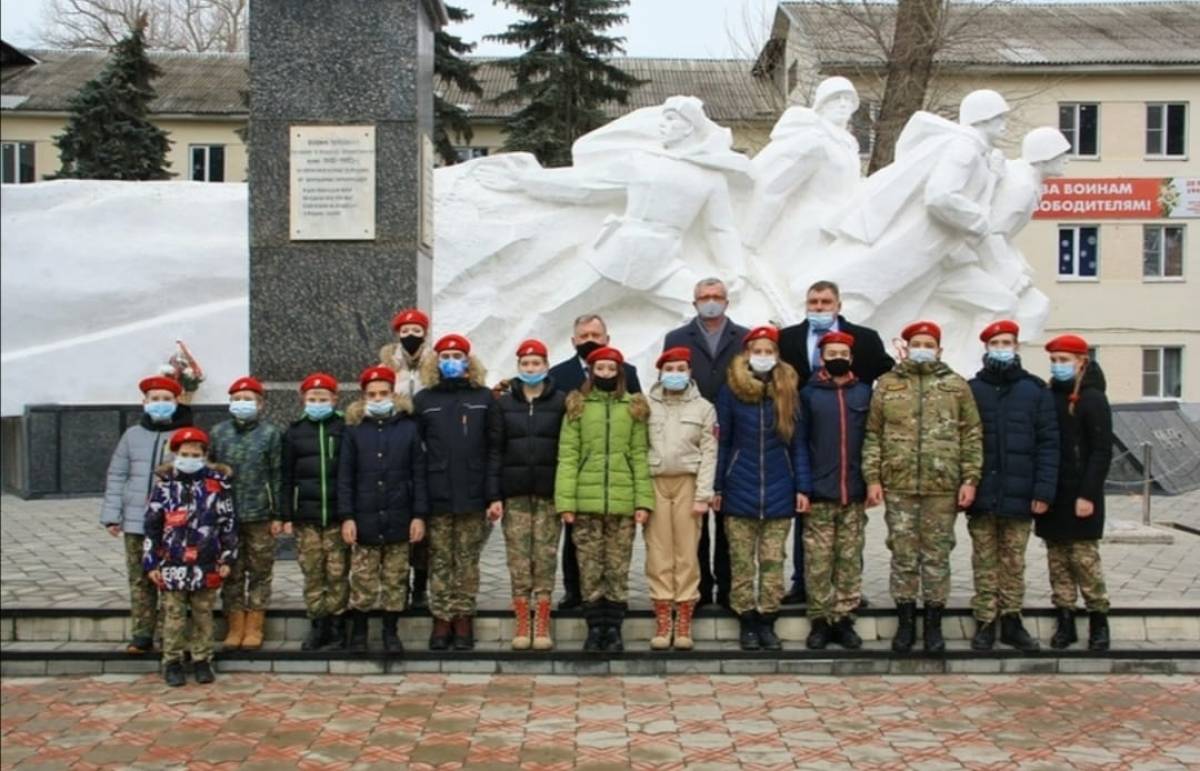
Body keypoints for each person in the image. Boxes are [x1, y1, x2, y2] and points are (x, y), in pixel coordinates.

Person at [863, 321, 983, 653]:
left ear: (939, 349)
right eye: (917, 342)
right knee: (902, 554)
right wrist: (873, 478)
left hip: (942, 486)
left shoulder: (956, 387)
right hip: (899, 485)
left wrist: (970, 480)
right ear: (906, 346)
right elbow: (873, 434)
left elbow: (971, 435)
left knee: (936, 556)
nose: (922, 348)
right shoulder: (887, 385)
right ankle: (904, 623)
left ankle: (933, 624)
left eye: (928, 343)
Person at [778, 280, 894, 606]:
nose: (819, 308)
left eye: (825, 302)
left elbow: (887, 373)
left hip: (850, 434)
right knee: (809, 515)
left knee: (850, 526)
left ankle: (848, 590)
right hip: (805, 434)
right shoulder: (787, 339)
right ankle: (803, 584)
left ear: (838, 305)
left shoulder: (865, 339)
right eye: (813, 302)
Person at [966, 320, 1059, 652]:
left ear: (1017, 347)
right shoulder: (972, 389)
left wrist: (1043, 490)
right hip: (983, 493)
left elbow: (1049, 443)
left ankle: (1011, 620)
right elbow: (965, 442)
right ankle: (985, 621)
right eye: (996, 343)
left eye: (1007, 342)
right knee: (984, 559)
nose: (1002, 348)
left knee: (1014, 561)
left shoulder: (1034, 391)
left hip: (1021, 494)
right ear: (986, 348)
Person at [714, 326, 807, 651]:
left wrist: (802, 487)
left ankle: (768, 620)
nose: (763, 357)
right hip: (739, 488)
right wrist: (717, 486)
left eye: (769, 351)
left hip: (780, 491)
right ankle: (747, 621)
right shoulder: (732, 391)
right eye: (758, 351)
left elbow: (798, 446)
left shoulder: (788, 390)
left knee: (772, 562)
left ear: (777, 355)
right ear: (746, 355)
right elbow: (723, 442)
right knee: (741, 563)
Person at [555, 346, 654, 652]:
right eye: (601, 369)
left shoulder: (633, 407)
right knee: (590, 568)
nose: (607, 375)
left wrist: (642, 501)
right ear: (592, 372)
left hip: (622, 504)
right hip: (586, 504)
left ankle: (613, 629)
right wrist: (566, 502)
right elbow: (568, 456)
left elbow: (639, 455)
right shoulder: (579, 406)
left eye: (612, 370)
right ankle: (594, 628)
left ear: (620, 372)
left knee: (617, 569)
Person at [661, 278, 748, 610]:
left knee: (726, 516)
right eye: (704, 297)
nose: (710, 302)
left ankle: (727, 591)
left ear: (727, 301)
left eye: (717, 297)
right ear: (694, 301)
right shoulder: (678, 338)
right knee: (693, 522)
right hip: (688, 436)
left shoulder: (742, 338)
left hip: (732, 435)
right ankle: (696, 590)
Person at [548, 313, 641, 610]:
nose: (590, 341)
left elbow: (637, 419)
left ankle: (612, 599)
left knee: (614, 547)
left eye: (595, 336)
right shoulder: (559, 374)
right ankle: (574, 591)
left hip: (616, 473)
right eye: (584, 336)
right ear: (573, 340)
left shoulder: (628, 372)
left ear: (607, 339)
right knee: (576, 536)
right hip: (578, 467)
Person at [414, 333, 498, 651]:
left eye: (457, 355)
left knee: (466, 561)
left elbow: (493, 449)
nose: (451, 361)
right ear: (437, 362)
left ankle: (463, 617)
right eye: (445, 356)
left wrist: (492, 494)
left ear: (468, 361)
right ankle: (441, 618)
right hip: (437, 494)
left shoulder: (484, 398)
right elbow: (416, 452)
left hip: (473, 494)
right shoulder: (425, 400)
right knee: (439, 561)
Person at [101, 374, 193, 654]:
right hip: (136, 520)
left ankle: (171, 632)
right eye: (155, 400)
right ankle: (142, 632)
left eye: (167, 399)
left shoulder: (185, 436)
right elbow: (118, 475)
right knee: (140, 578)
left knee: (170, 578)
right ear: (144, 402)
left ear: (177, 402)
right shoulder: (132, 436)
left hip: (172, 524)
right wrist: (112, 514)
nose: (160, 404)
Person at [339, 366, 428, 653]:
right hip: (364, 518)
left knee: (395, 579)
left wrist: (418, 516)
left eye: (383, 393)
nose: (378, 399)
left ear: (393, 393)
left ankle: (391, 632)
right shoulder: (354, 431)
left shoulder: (408, 428)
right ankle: (360, 632)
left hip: (399, 516)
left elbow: (419, 474)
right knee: (363, 580)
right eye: (371, 395)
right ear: (363, 397)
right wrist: (348, 517)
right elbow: (345, 477)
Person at [486, 339, 568, 651]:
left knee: (545, 558)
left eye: (536, 363)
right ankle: (523, 621)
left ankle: (542, 622)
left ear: (546, 366)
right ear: (518, 368)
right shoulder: (504, 404)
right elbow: (494, 450)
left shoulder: (560, 401)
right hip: (515, 494)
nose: (531, 369)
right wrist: (494, 494)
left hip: (548, 494)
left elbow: (567, 450)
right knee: (519, 559)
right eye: (525, 364)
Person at [795, 331, 872, 649]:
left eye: (842, 352)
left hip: (853, 492)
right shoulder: (809, 394)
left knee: (849, 559)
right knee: (818, 560)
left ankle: (843, 619)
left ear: (851, 358)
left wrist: (872, 482)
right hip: (820, 492)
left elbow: (873, 441)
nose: (837, 357)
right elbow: (799, 443)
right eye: (830, 353)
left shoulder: (864, 393)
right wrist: (803, 486)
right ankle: (820, 620)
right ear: (821, 357)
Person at [143, 427, 237, 687]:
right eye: (184, 454)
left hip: (206, 560)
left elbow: (228, 523)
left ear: (205, 455)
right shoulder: (164, 486)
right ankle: (172, 661)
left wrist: (227, 558)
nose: (189, 458)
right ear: (175, 454)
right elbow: (151, 525)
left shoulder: (217, 485)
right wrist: (151, 560)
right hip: (172, 561)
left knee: (203, 613)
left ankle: (202, 659)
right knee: (173, 614)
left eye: (195, 454)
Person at [1039, 334, 1113, 651]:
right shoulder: (1049, 395)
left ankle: (1098, 619)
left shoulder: (1093, 399)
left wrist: (1088, 495)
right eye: (1054, 361)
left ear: (1081, 361)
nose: (1059, 366)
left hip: (1081, 494)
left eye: (1064, 360)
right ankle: (1065, 618)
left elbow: (1101, 451)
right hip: (1054, 493)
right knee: (1058, 561)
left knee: (1084, 561)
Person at [645, 346, 717, 650]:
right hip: (656, 482)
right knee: (658, 551)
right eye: (669, 369)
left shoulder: (704, 408)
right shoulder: (646, 405)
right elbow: (638, 447)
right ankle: (663, 619)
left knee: (687, 553)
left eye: (681, 369)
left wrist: (704, 494)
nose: (675, 375)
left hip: (688, 482)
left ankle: (684, 619)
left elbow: (709, 452)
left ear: (689, 372)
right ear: (660, 372)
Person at [209, 376, 283, 652]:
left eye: (248, 399)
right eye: (237, 399)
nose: (242, 404)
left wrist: (278, 514)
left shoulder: (270, 434)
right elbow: (210, 472)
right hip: (226, 516)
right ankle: (235, 623)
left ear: (260, 404)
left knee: (260, 570)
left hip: (260, 513)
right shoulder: (218, 433)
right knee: (232, 571)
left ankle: (255, 624)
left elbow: (277, 474)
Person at [280, 372, 350, 651]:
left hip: (336, 516)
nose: (318, 403)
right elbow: (285, 477)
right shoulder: (294, 432)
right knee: (312, 572)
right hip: (306, 518)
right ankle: (317, 623)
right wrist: (286, 514)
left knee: (337, 572)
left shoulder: (345, 428)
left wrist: (349, 514)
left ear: (334, 399)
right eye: (312, 399)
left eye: (323, 398)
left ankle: (337, 625)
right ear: (303, 400)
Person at [380, 307, 432, 609]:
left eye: (417, 330)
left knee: (422, 516)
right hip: (395, 441)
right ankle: (395, 584)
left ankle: (421, 587)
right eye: (405, 331)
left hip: (427, 445)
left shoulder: (435, 364)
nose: (411, 336)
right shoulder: (388, 364)